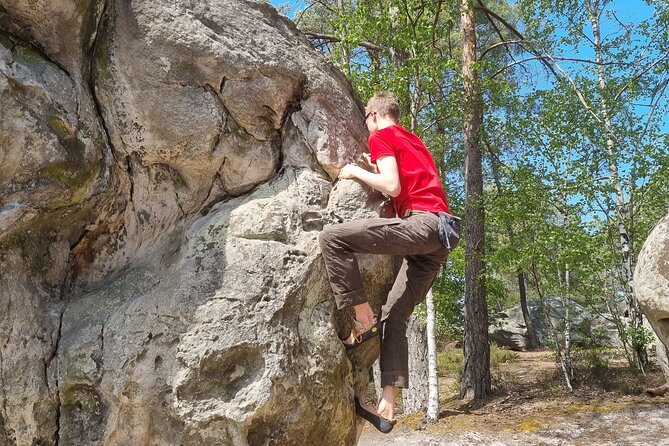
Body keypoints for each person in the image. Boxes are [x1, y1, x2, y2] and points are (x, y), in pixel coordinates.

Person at [318, 91, 456, 429]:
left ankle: (361, 317)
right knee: (394, 317)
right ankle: (388, 406)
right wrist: (376, 166)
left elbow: (392, 186)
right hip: (440, 236)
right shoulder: (414, 140)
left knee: (332, 237)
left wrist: (355, 171)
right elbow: (405, 183)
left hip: (422, 225)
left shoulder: (382, 134)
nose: (366, 127)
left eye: (366, 120)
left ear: (374, 115)